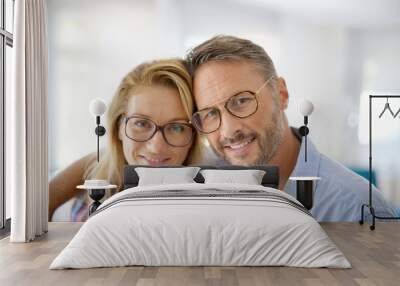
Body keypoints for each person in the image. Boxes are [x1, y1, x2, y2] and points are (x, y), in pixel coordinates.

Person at [185, 35, 396, 222]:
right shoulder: (207, 192)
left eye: (241, 101)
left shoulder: (359, 209)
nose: (229, 131)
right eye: (211, 113)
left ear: (281, 94)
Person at [49, 59, 196, 221]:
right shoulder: (95, 166)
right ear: (118, 126)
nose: (156, 147)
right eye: (141, 123)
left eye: (176, 128)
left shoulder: (208, 190)